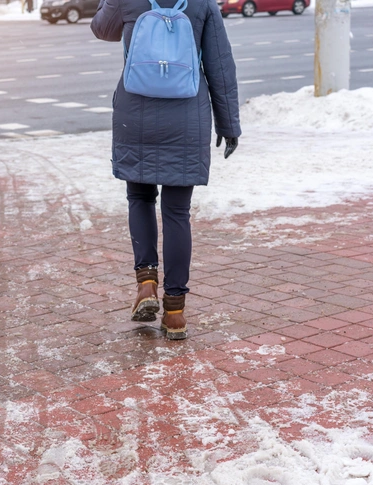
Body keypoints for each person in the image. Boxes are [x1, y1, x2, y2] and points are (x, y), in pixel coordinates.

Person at [91, 0, 241, 340]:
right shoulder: (203, 3)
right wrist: (229, 124)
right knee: (177, 212)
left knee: (140, 197)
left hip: (136, 113)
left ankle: (146, 283)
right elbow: (219, 64)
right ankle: (175, 311)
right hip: (186, 116)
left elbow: (103, 29)